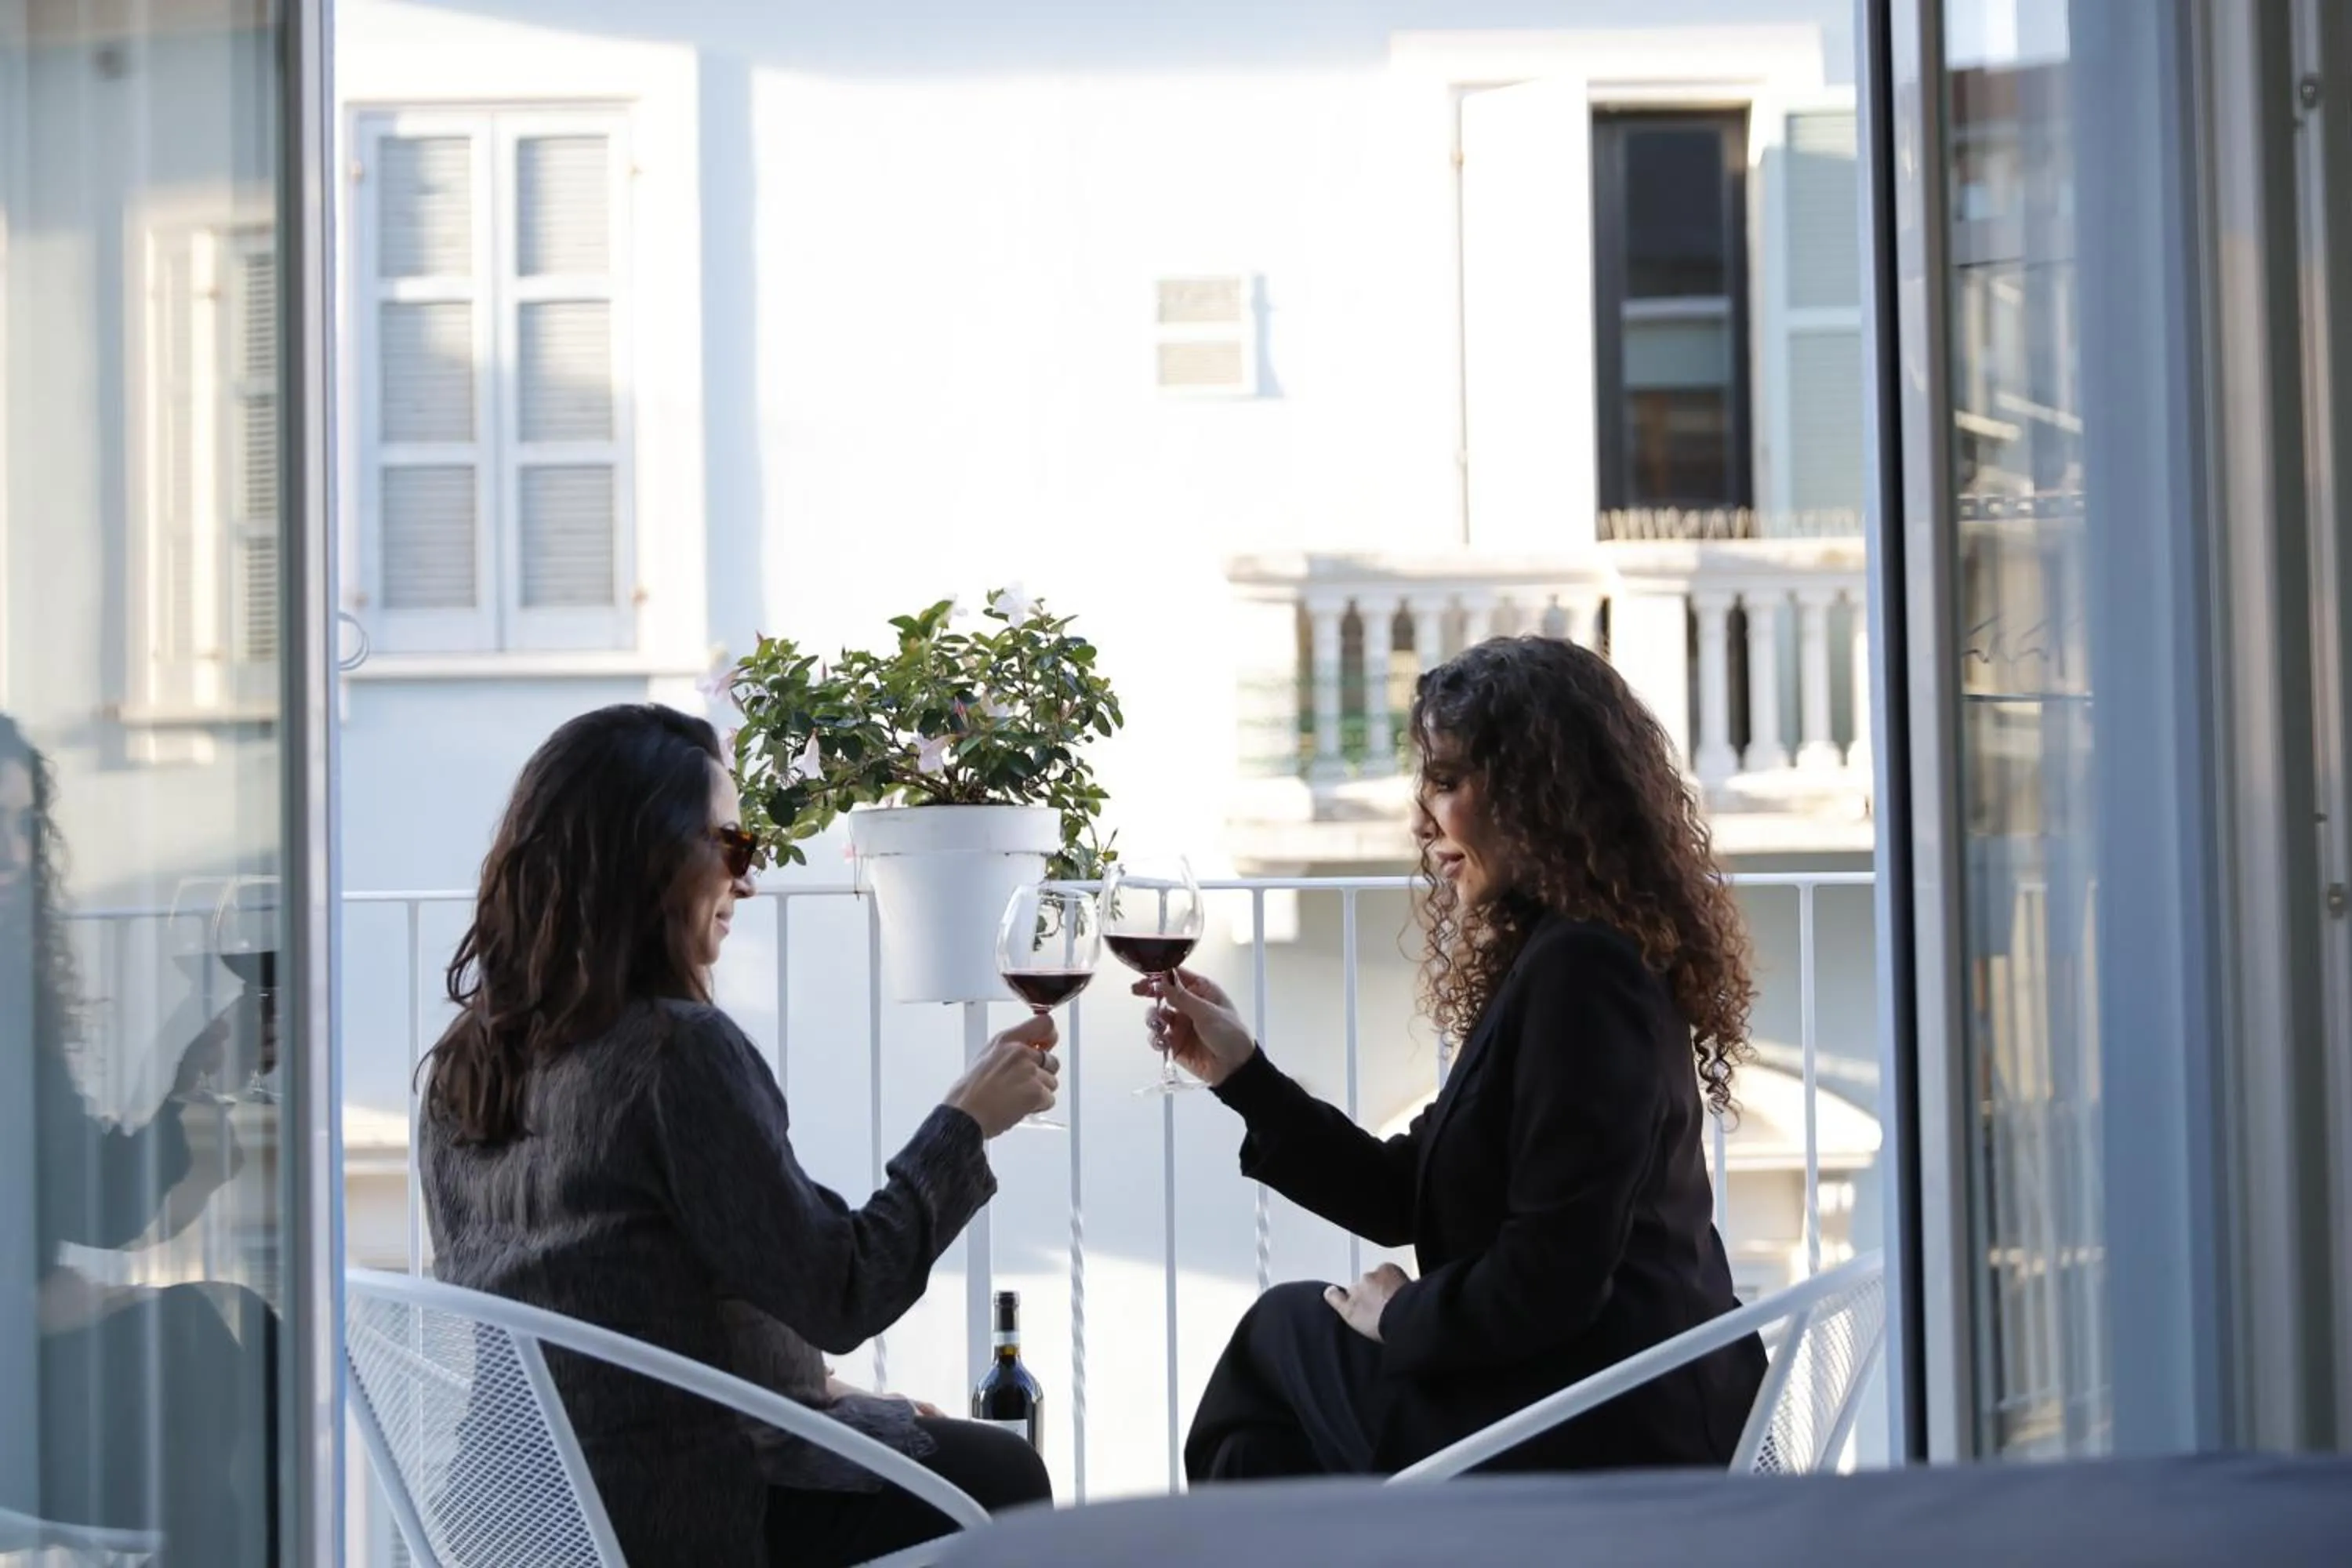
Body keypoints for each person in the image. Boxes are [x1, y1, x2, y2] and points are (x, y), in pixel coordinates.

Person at [418, 703, 1057, 1567]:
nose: (747, 879)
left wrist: (824, 1397)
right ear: (655, 859)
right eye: (732, 843)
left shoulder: (468, 1062)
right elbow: (843, 1289)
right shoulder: (675, 1053)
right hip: (675, 1516)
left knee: (926, 1440)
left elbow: (608, 1291)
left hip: (520, 1515)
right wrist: (966, 1122)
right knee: (1004, 1472)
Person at [1149, 637, 1768, 1481]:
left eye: (1446, 782)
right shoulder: (1567, 960)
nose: (1421, 818)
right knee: (1274, 1395)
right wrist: (1240, 1073)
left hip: (1605, 1425)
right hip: (1575, 1393)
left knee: (1278, 1340)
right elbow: (1406, 1191)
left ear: (1538, 793)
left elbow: (1552, 1272)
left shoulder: (1584, 972)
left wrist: (1400, 1314)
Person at [2, 713, 278, 1564]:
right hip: (18, 1384)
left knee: (250, 1338)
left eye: (20, 824)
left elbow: (85, 1193)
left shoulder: (11, 997)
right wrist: (28, 1311)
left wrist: (190, 1081)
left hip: (36, 1357)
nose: (12, 852)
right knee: (204, 1353)